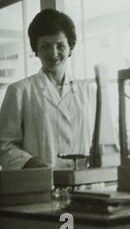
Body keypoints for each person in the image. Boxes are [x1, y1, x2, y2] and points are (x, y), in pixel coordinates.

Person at [0, 9, 95, 170]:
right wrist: (31, 163)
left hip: (84, 182)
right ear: (35, 50)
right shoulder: (19, 91)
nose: (53, 53)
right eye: (45, 46)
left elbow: (99, 141)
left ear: (70, 47)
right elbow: (4, 146)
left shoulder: (88, 91)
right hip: (40, 185)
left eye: (60, 46)